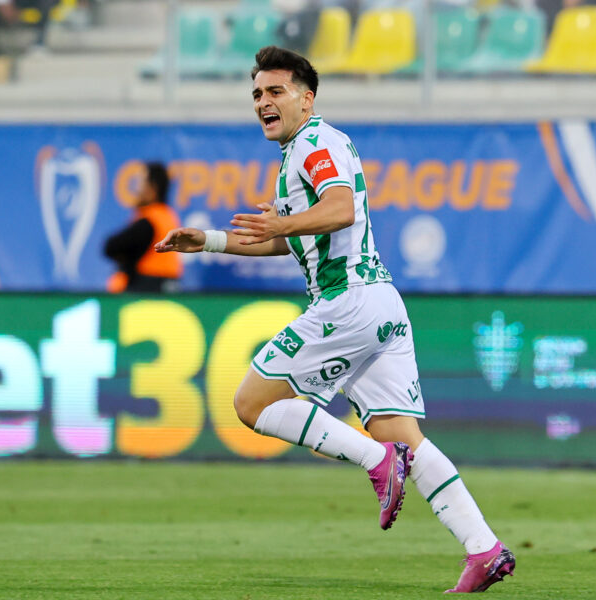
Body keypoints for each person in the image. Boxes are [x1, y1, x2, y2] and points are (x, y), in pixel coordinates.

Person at [155, 46, 515, 593]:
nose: (263, 102)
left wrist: (286, 221)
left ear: (307, 98)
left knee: (252, 403)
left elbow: (340, 208)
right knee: (406, 436)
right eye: (257, 93)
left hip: (347, 302)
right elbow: (290, 241)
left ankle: (377, 461)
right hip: (380, 304)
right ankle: (483, 548)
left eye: (275, 91)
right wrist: (208, 241)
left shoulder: (314, 143)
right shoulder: (306, 150)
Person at [104, 161, 182, 293]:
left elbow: (111, 246)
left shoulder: (149, 222)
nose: (136, 189)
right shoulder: (168, 216)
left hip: (148, 289)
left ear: (152, 188)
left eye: (140, 182)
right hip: (167, 287)